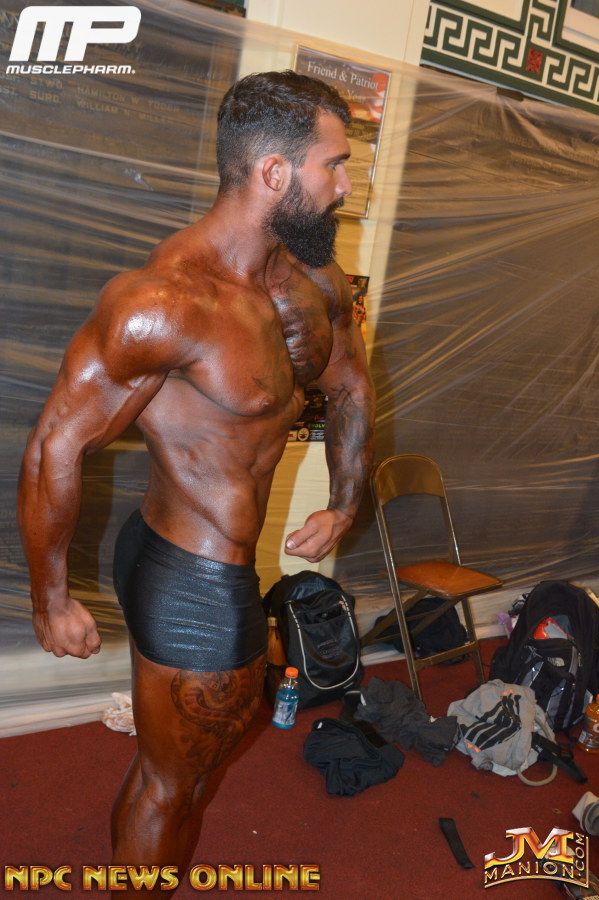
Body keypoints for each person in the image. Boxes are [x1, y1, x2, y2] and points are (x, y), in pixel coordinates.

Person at [17, 70, 375, 887]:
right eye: (334, 165)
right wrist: (51, 598)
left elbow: (351, 385)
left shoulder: (315, 281)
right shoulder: (166, 301)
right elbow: (54, 449)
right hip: (192, 579)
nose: (345, 187)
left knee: (174, 770)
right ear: (275, 173)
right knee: (176, 786)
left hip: (206, 561)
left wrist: (344, 504)